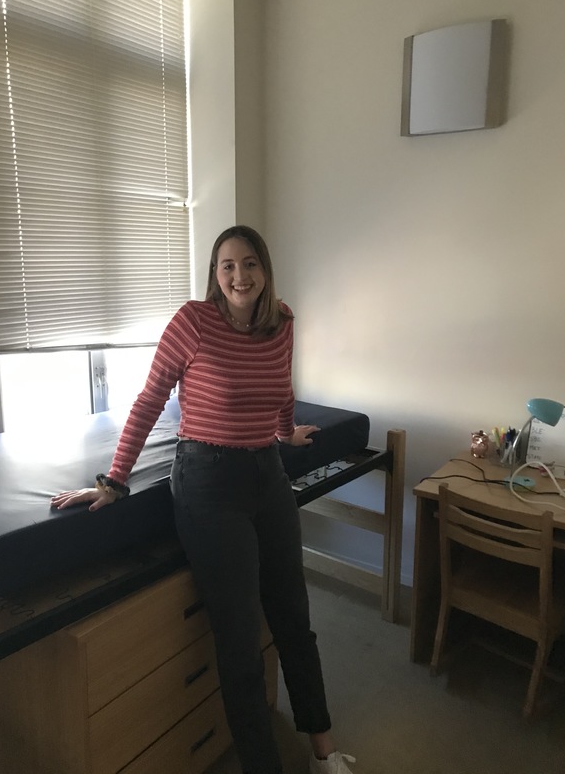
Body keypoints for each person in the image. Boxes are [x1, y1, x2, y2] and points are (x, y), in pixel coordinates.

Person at [51, 225, 356, 774]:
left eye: (249, 264)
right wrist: (115, 478)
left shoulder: (282, 321)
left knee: (294, 620)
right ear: (215, 276)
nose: (239, 276)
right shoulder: (193, 322)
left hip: (267, 473)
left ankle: (325, 753)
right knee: (241, 642)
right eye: (226, 266)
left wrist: (288, 432)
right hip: (207, 483)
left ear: (265, 269)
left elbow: (280, 387)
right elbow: (148, 399)